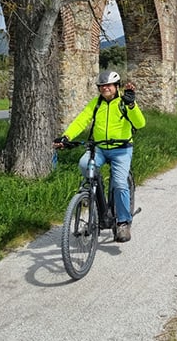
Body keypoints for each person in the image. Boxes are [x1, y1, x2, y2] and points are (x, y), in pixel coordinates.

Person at [53, 70, 146, 243]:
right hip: (100, 149)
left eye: (109, 85)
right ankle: (97, 191)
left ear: (116, 86)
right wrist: (67, 137)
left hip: (122, 149)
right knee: (83, 164)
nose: (105, 89)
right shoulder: (95, 104)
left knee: (119, 183)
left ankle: (123, 223)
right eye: (102, 86)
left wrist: (132, 106)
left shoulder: (124, 102)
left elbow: (140, 123)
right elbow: (81, 120)